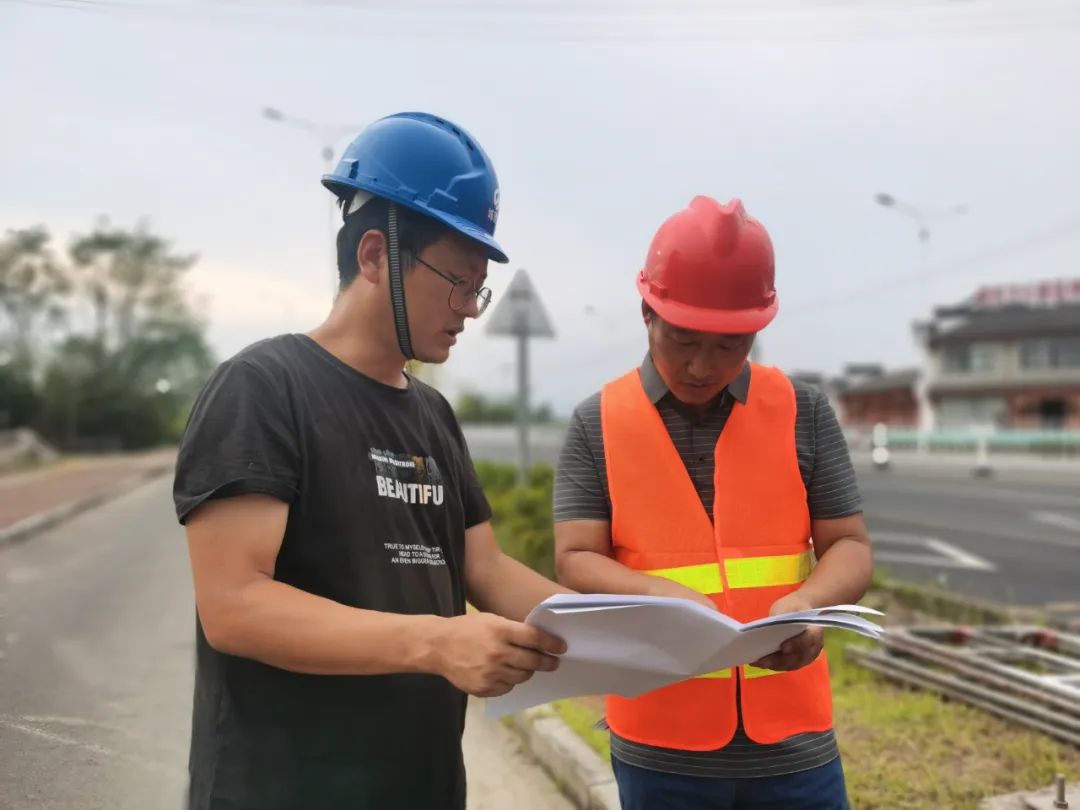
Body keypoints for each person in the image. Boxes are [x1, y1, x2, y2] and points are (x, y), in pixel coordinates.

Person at [173, 112, 569, 810]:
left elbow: (485, 569)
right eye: (457, 281)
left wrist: (634, 632)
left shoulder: (433, 416)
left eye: (479, 288)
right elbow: (233, 606)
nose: (469, 309)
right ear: (375, 255)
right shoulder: (265, 388)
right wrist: (436, 644)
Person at [553, 196, 873, 810]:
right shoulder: (597, 422)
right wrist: (666, 597)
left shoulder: (803, 411)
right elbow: (575, 559)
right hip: (660, 740)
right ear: (647, 312)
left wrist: (808, 603)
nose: (702, 366)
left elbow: (850, 546)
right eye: (683, 339)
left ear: (757, 329)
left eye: (730, 345)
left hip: (794, 738)